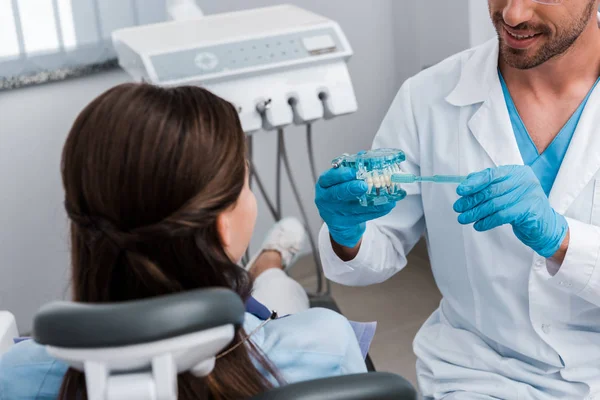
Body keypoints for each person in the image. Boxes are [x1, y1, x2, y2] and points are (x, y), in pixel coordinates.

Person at [0, 83, 366, 400]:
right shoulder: (324, 345)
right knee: (278, 291)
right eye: (245, 183)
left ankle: (264, 265)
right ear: (222, 224)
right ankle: (268, 263)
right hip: (261, 326)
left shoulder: (14, 375)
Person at [315, 0, 600, 399]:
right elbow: (377, 250)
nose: (513, 14)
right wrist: (348, 233)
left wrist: (562, 240)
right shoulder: (428, 96)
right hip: (479, 376)